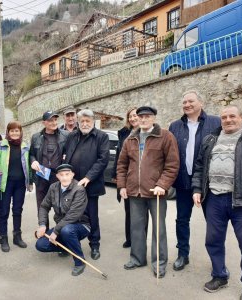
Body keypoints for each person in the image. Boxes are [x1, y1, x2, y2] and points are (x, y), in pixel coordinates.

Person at [192, 105, 242, 299]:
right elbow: (199, 167)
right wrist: (197, 189)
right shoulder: (210, 139)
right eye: (224, 117)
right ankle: (219, 275)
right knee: (213, 241)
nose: (228, 120)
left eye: (232, 116)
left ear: (241, 117)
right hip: (214, 199)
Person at [117, 106, 179, 278]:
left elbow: (172, 164)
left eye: (147, 116)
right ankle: (137, 258)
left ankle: (159, 263)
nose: (143, 119)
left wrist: (163, 184)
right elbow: (122, 165)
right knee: (136, 228)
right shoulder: (130, 139)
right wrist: (122, 186)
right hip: (134, 192)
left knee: (158, 230)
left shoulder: (165, 136)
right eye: (140, 116)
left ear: (153, 118)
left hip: (156, 192)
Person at [169, 90, 220, 271]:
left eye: (191, 101)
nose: (187, 105)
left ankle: (217, 262)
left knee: (213, 222)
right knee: (182, 220)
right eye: (184, 102)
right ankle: (183, 254)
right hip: (183, 182)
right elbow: (168, 154)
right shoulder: (175, 126)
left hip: (207, 183)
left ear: (201, 103)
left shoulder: (216, 123)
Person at [63, 109, 109, 260]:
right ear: (78, 122)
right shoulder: (72, 136)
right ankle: (70, 243)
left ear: (93, 122)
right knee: (71, 215)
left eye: (87, 121)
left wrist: (88, 177)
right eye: (82, 121)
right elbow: (66, 156)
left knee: (92, 216)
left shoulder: (101, 136)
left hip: (91, 184)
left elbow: (102, 160)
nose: (84, 123)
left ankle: (94, 245)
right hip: (73, 185)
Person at [35, 164, 90, 276]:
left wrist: (55, 232)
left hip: (81, 225)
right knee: (40, 245)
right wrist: (42, 225)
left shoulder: (79, 189)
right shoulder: (53, 187)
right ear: (57, 176)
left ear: (72, 175)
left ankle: (80, 262)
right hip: (62, 226)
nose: (64, 178)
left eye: (67, 174)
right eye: (61, 175)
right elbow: (44, 206)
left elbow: (72, 215)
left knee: (67, 230)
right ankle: (67, 247)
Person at [0, 121, 32, 252]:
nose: (15, 133)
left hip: (20, 184)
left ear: (20, 132)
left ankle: (17, 236)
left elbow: (28, 165)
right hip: (5, 184)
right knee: (4, 211)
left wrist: (30, 181)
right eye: (12, 131)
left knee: (17, 210)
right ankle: (3, 237)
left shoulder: (25, 146)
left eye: (17, 131)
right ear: (8, 132)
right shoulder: (0, 146)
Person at [30, 111, 69, 228]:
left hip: (58, 177)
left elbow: (70, 151)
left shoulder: (65, 135)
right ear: (44, 123)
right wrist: (33, 161)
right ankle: (44, 231)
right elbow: (31, 154)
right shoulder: (36, 137)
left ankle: (60, 233)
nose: (54, 122)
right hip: (42, 175)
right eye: (51, 120)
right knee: (42, 206)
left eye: (55, 120)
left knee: (60, 206)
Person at [111, 107, 139, 249]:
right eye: (130, 116)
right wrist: (115, 174)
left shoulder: (146, 131)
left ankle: (139, 240)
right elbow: (118, 155)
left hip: (140, 177)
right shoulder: (124, 133)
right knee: (129, 210)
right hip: (126, 177)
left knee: (140, 212)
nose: (133, 118)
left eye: (135, 115)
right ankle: (130, 238)